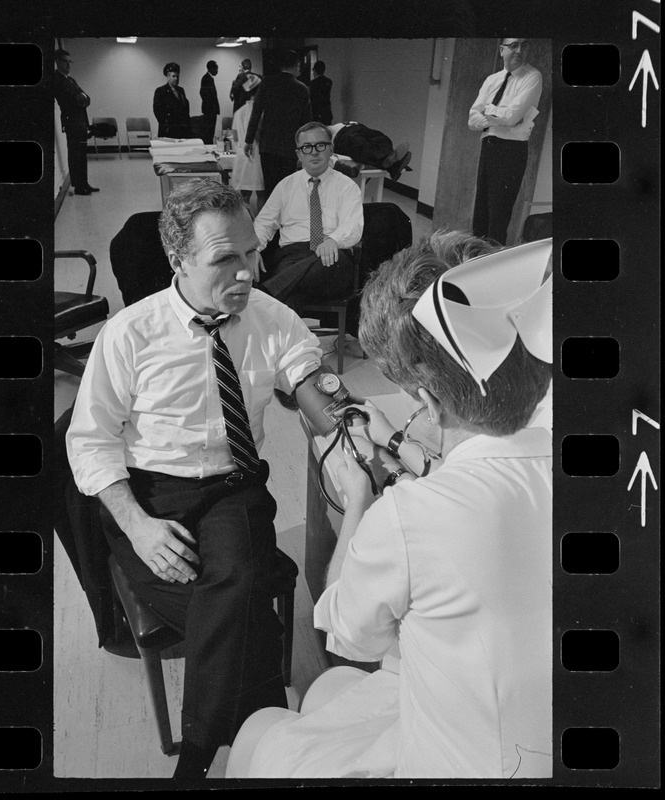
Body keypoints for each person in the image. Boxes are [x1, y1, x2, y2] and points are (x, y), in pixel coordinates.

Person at [226, 231, 554, 779]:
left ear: (427, 401)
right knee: (334, 691)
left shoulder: (409, 517)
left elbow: (347, 633)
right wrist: (404, 448)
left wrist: (359, 500)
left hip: (461, 759)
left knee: (264, 733)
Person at [66, 180, 324, 783]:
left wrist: (344, 416)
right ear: (179, 261)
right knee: (246, 599)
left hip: (232, 485)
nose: (247, 274)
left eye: (252, 252)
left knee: (232, 574)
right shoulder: (130, 333)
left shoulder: (269, 317)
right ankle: (269, 727)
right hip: (153, 492)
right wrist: (138, 525)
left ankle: (199, 755)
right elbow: (90, 440)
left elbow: (308, 373)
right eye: (224, 259)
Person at [253, 121, 364, 318]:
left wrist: (333, 240)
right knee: (291, 298)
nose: (314, 152)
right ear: (298, 154)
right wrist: (253, 249)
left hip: (331, 258)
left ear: (331, 149)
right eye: (306, 147)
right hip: (293, 257)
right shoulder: (285, 186)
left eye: (320, 145)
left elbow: (353, 224)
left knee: (315, 268)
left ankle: (263, 295)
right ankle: (290, 345)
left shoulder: (347, 187)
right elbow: (264, 223)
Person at [469, 38, 543, 245]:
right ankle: (474, 262)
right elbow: (472, 120)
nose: (519, 50)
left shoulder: (532, 77)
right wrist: (500, 116)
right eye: (513, 45)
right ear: (502, 50)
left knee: (498, 217)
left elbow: (512, 116)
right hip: (489, 147)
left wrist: (489, 111)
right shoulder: (491, 80)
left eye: (524, 45)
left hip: (511, 151)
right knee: (481, 213)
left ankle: (492, 267)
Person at [244, 50, 312, 196]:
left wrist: (249, 140)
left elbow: (256, 113)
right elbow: (306, 124)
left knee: (270, 190)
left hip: (268, 146)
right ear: (296, 65)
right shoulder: (302, 89)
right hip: (289, 148)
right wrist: (305, 149)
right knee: (287, 190)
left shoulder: (267, 83)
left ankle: (271, 218)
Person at [52, 49, 98, 195]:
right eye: (65, 61)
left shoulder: (70, 80)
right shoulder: (57, 80)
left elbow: (87, 98)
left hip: (80, 121)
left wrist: (81, 97)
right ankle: (78, 186)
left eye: (69, 61)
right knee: (75, 154)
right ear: (57, 62)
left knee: (82, 154)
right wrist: (81, 97)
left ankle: (84, 183)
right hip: (72, 122)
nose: (68, 65)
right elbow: (75, 99)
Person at [329, 122, 412, 182]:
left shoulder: (323, 129)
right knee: (362, 145)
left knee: (383, 141)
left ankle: (391, 161)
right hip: (344, 134)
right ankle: (391, 162)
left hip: (352, 129)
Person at [230, 74, 265, 213]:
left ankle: (247, 226)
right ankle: (262, 228)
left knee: (244, 198)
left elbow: (235, 137)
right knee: (262, 195)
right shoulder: (263, 111)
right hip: (259, 159)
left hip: (243, 158)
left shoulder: (239, 112)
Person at [153, 62, 192, 139]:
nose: (176, 79)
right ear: (168, 77)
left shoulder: (181, 90)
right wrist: (165, 124)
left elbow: (185, 108)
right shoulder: (161, 91)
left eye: (177, 76)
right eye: (173, 76)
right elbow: (157, 110)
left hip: (182, 129)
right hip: (168, 130)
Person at [200, 60, 220, 145]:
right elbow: (203, 93)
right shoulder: (206, 79)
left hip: (210, 110)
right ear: (211, 68)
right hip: (209, 110)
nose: (217, 71)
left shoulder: (208, 78)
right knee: (209, 132)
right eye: (216, 69)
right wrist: (212, 107)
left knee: (210, 132)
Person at [309, 61, 332, 125]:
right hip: (326, 111)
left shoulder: (312, 83)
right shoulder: (329, 82)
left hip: (316, 113)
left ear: (315, 70)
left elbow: (312, 98)